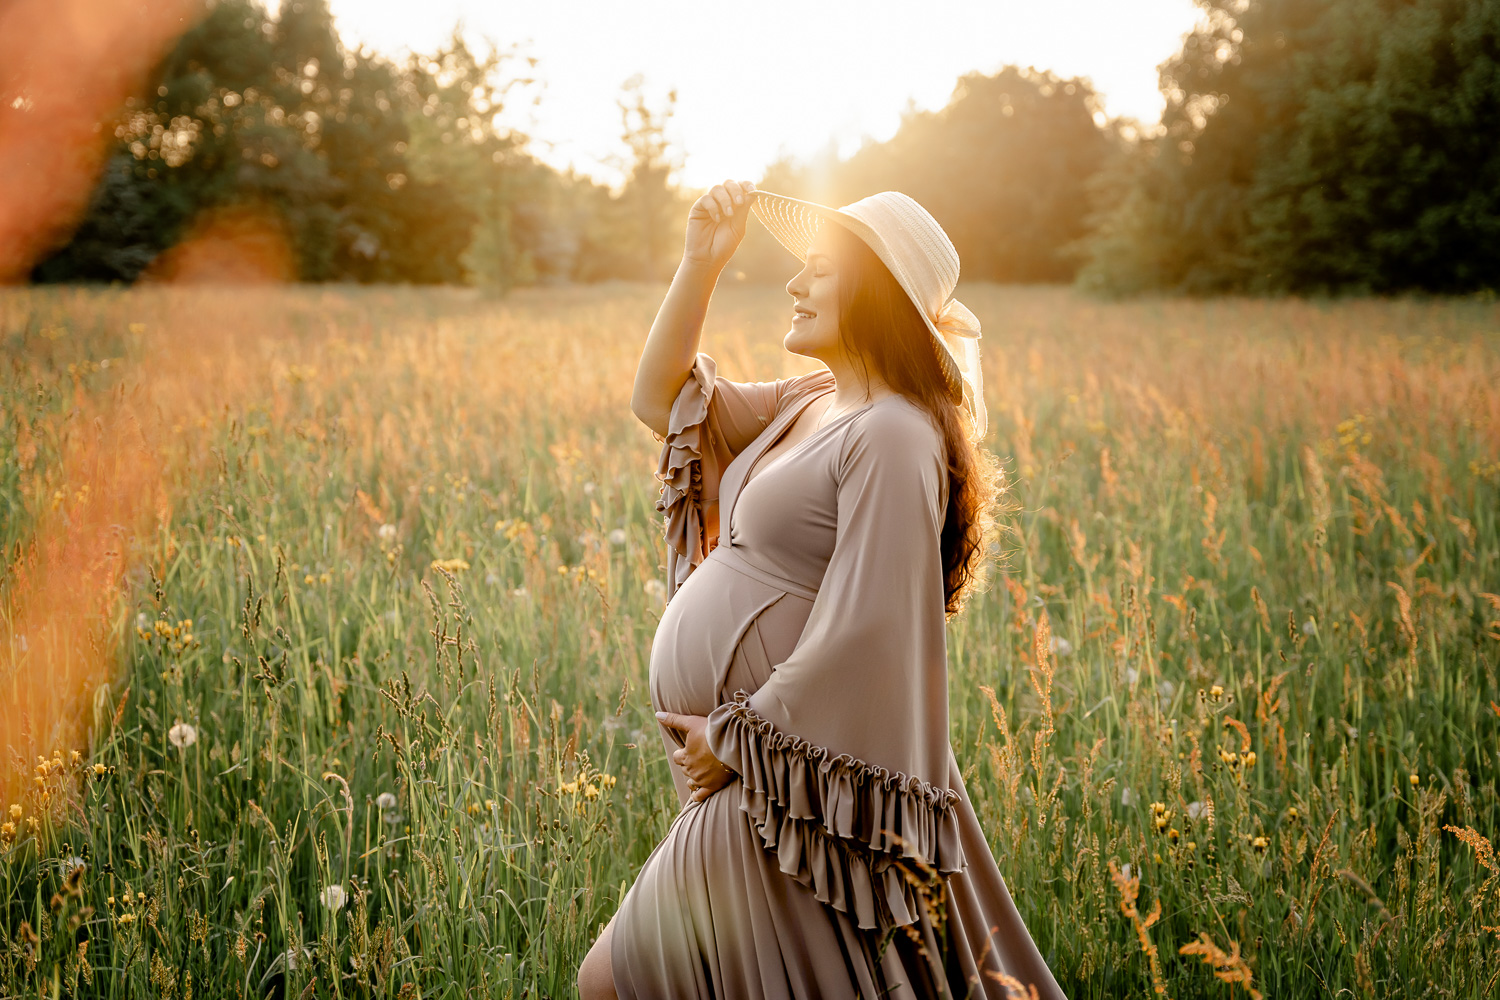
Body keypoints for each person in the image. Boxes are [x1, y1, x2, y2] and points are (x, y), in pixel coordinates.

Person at [577, 178, 1068, 1000]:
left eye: (818, 270)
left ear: (875, 293)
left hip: (786, 776)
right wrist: (700, 264)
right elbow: (661, 401)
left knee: (612, 983)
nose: (795, 285)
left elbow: (871, 631)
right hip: (763, 775)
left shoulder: (894, 432)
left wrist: (735, 740)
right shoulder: (814, 401)